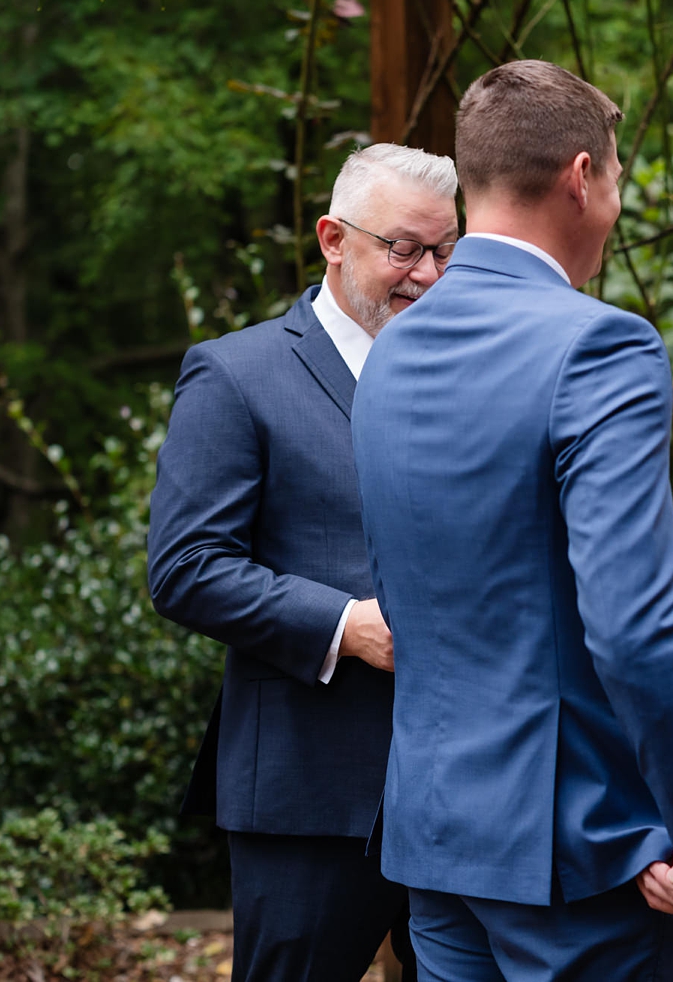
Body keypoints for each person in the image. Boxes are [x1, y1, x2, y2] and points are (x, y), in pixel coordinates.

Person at [350, 60, 673, 982]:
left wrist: (634, 580)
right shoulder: (599, 344)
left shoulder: (392, 349)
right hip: (586, 855)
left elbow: (442, 572)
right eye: (613, 179)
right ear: (582, 176)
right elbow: (633, 634)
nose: (611, 205)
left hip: (439, 840)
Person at [147, 143, 460, 982]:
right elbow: (185, 565)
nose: (427, 274)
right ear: (332, 237)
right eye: (403, 248)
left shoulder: (467, 380)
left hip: (461, 790)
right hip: (308, 794)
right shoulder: (237, 373)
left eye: (444, 250)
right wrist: (345, 626)